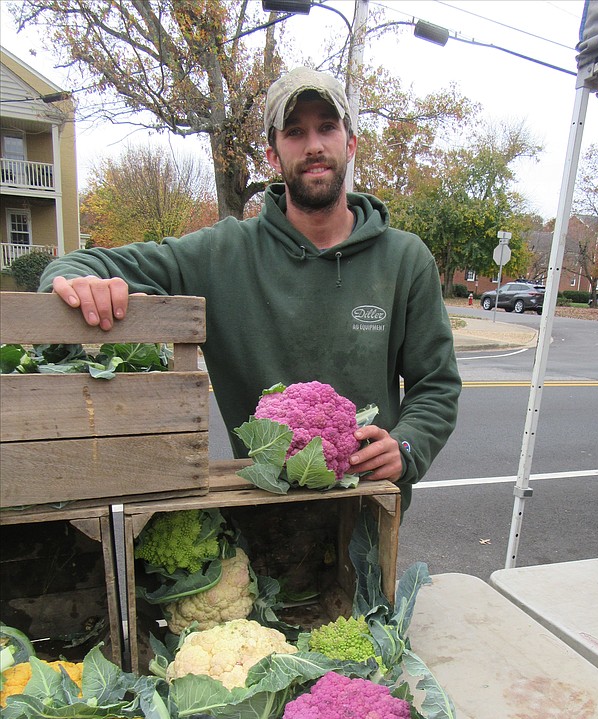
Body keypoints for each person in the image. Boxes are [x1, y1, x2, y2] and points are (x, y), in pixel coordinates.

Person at [41, 67, 462, 513]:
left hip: (369, 513)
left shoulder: (404, 259)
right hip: (262, 514)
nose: (314, 145)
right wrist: (76, 283)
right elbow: (81, 264)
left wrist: (407, 447)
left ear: (350, 143)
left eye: (327, 127)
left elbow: (436, 384)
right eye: (295, 132)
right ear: (273, 155)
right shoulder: (224, 253)